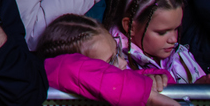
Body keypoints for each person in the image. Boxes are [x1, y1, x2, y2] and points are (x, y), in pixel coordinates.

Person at [37, 14, 178, 106]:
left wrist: (156, 80)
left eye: (118, 52)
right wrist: (148, 96)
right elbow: (67, 68)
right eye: (111, 61)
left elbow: (124, 82)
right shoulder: (59, 71)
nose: (123, 62)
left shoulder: (121, 83)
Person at [105, 0, 207, 84]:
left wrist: (199, 86)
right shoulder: (112, 64)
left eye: (176, 29)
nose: (173, 39)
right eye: (162, 32)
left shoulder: (181, 54)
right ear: (130, 26)